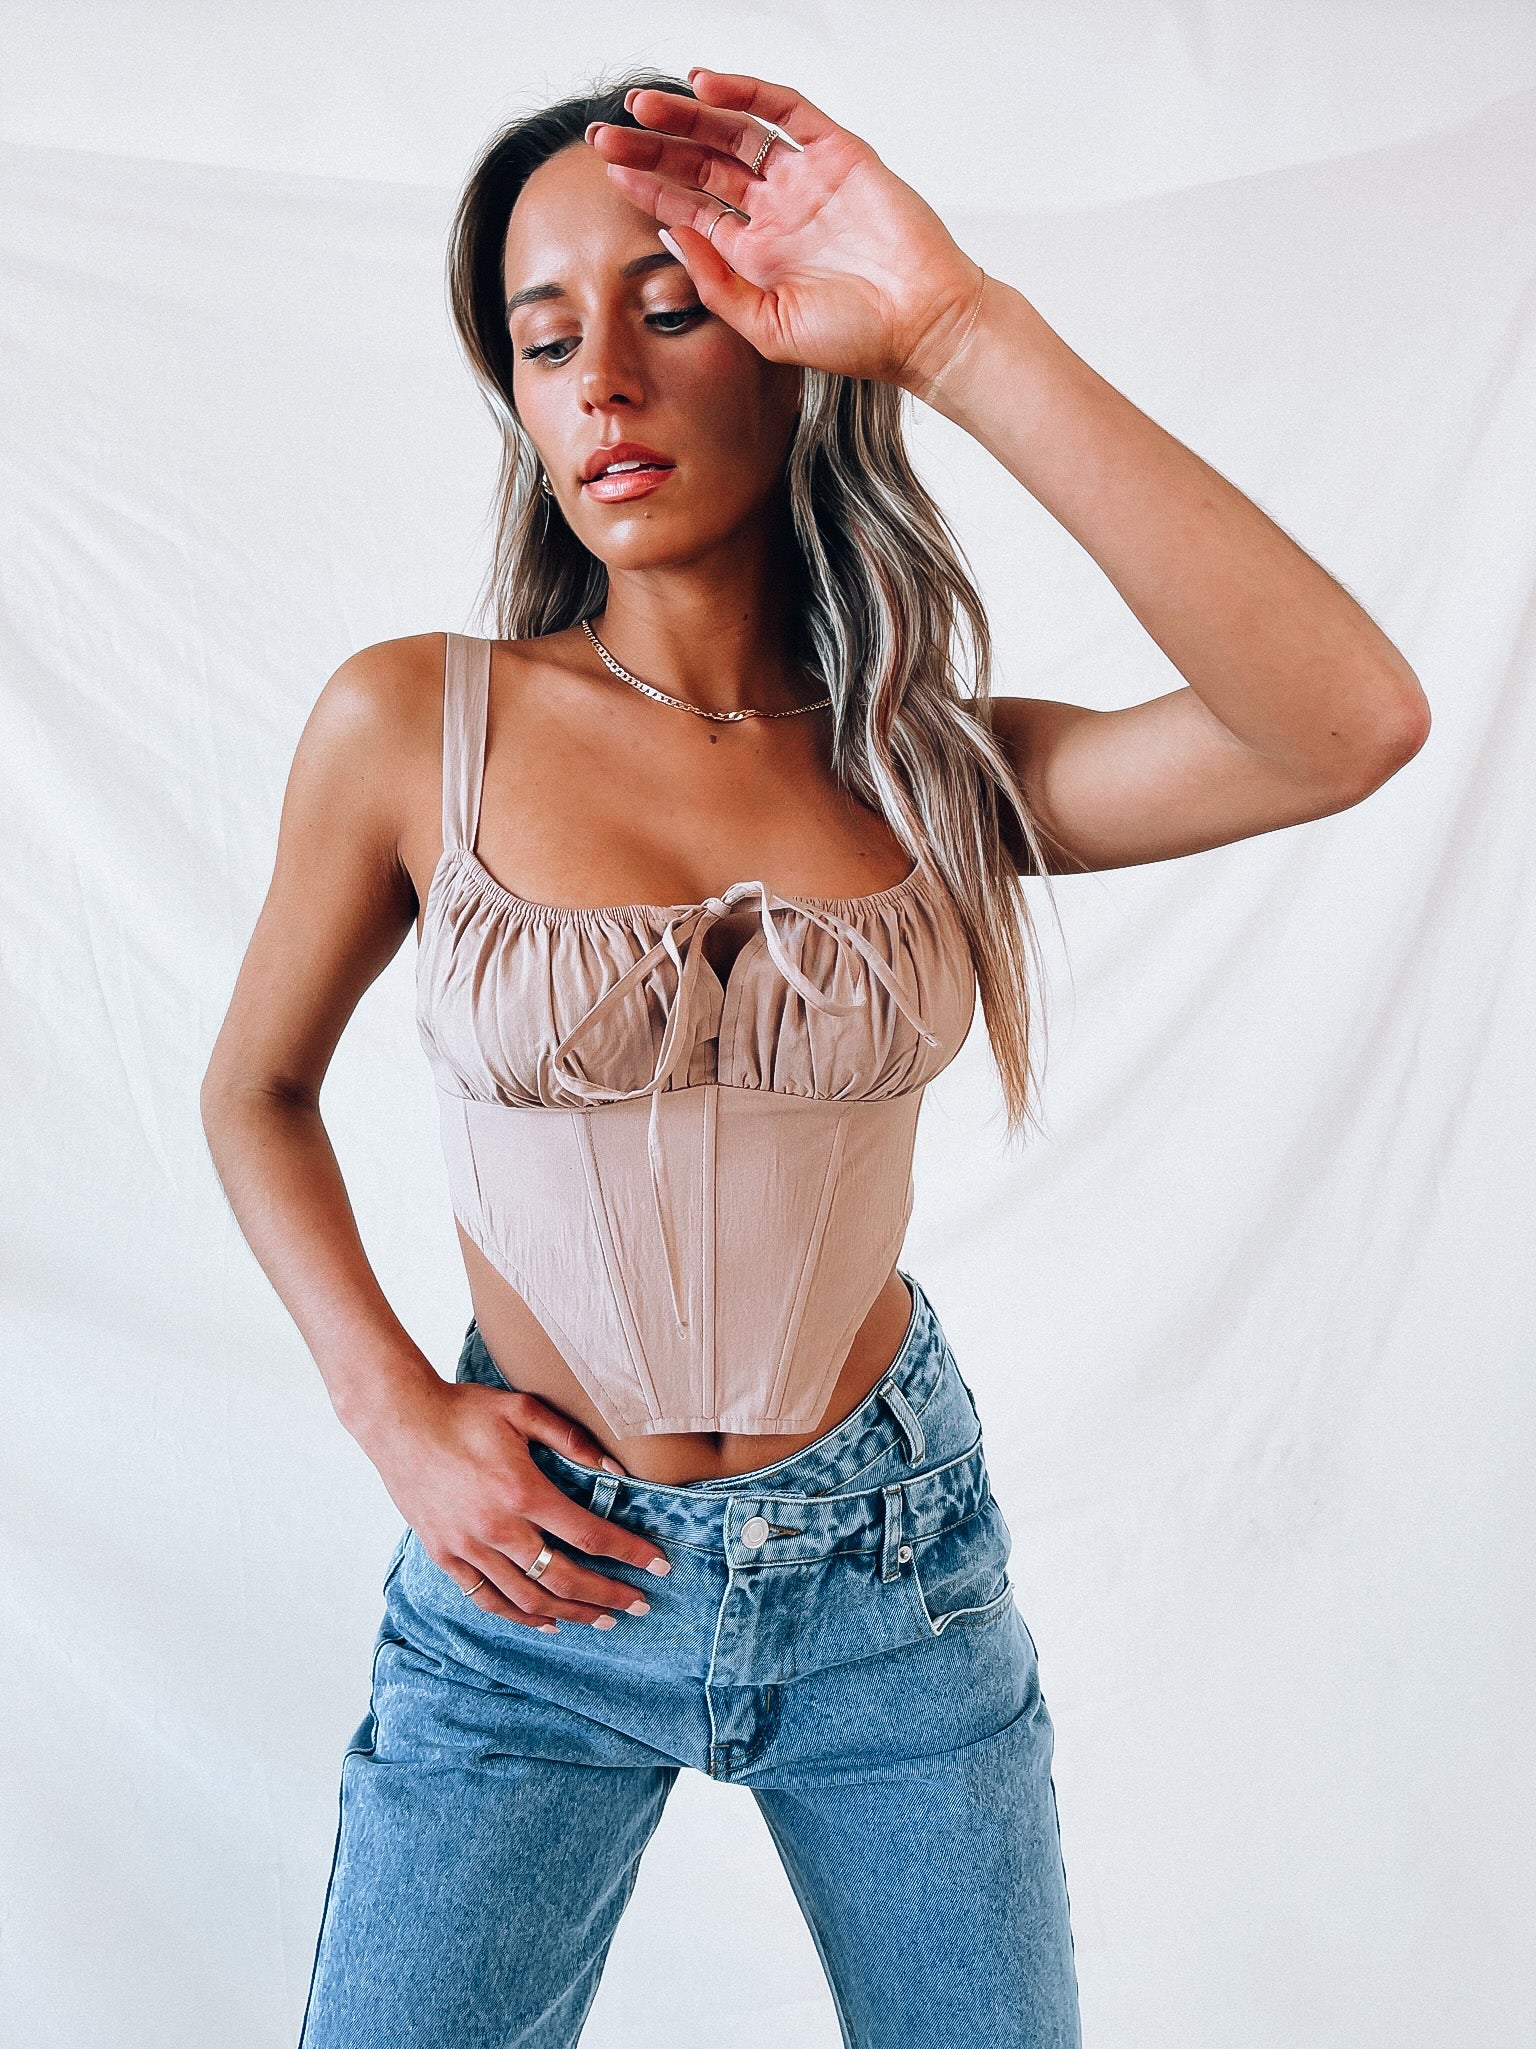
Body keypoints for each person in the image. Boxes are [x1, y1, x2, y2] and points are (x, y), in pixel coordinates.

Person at [198, 62, 1429, 2049]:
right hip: (533, 1582)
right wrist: (396, 1414)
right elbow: (253, 1089)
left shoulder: (937, 769)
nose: (603, 381)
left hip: (888, 1571)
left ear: (785, 346)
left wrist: (956, 330)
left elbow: (1348, 721)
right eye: (544, 339)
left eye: (670, 308)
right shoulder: (409, 724)